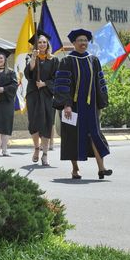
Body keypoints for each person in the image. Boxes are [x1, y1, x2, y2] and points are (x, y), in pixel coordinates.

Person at [53, 28, 112, 180]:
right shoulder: (66, 61)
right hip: (72, 108)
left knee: (95, 135)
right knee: (73, 137)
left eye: (85, 40)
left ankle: (101, 168)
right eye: (80, 40)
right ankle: (75, 169)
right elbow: (62, 85)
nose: (83, 43)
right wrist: (66, 105)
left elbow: (100, 82)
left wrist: (101, 102)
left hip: (91, 107)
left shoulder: (93, 60)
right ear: (73, 43)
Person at [25, 30, 59, 166]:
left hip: (47, 95)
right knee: (33, 123)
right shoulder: (31, 57)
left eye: (44, 42)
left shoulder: (54, 60)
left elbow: (57, 78)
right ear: (36, 45)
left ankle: (45, 154)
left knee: (46, 124)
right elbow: (29, 74)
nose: (42, 44)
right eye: (39, 42)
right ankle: (36, 148)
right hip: (33, 94)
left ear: (48, 44)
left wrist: (45, 83)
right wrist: (34, 58)